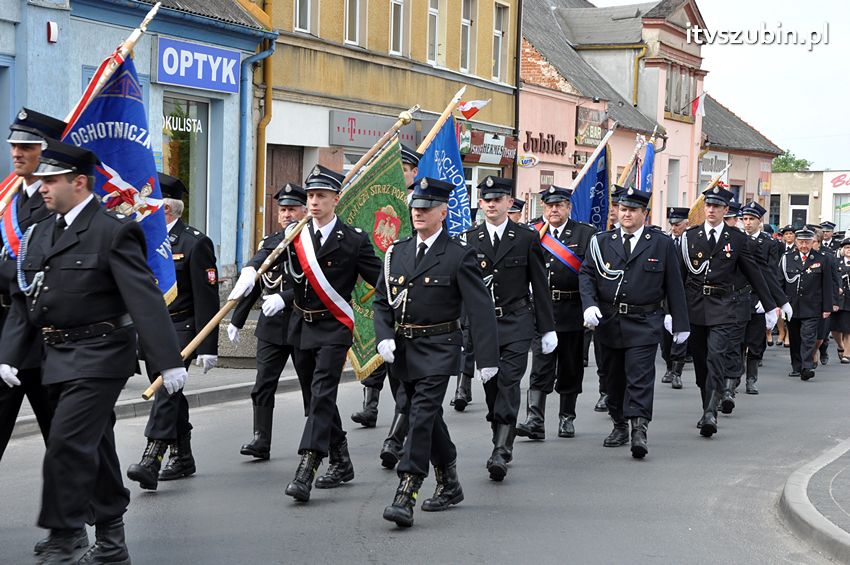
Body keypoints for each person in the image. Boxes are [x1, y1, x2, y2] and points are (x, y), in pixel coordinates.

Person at [0, 140, 187, 563]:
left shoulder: (114, 230)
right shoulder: (40, 232)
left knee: (66, 441)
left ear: (79, 182)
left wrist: (168, 361)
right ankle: (111, 541)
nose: (42, 187)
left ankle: (65, 535)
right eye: (42, 180)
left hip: (101, 354)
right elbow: (24, 298)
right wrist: (9, 354)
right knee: (96, 447)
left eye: (51, 180)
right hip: (55, 356)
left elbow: (144, 298)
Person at [230, 164, 382, 503]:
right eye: (311, 195)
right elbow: (266, 254)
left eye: (321, 196)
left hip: (334, 327)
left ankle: (308, 464)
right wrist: (250, 270)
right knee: (315, 399)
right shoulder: (294, 234)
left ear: (336, 199)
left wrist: (399, 312)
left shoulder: (353, 239)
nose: (313, 202)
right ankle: (341, 459)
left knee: (323, 391)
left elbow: (381, 281)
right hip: (301, 326)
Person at [374, 177, 498, 527]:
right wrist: (383, 335)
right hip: (403, 350)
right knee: (420, 413)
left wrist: (487, 360)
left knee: (422, 413)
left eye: (426, 208)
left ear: (443, 212)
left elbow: (480, 309)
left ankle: (407, 488)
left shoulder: (459, 254)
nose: (418, 213)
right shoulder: (396, 252)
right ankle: (449, 480)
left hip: (440, 348)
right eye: (415, 207)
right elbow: (383, 302)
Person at [579, 187, 689, 458]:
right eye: (623, 209)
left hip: (644, 321)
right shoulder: (602, 241)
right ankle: (619, 424)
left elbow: (674, 283)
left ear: (645, 214)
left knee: (640, 376)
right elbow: (587, 275)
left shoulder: (660, 243)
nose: (626, 214)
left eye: (632, 210)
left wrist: (680, 321)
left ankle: (639, 428)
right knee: (612, 378)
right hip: (609, 321)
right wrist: (589, 305)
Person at [126, 173, 219, 491]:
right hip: (152, 327)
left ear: (166, 209)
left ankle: (152, 456)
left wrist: (208, 345)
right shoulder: (144, 239)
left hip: (183, 327)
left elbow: (208, 298)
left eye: (148, 205)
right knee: (173, 392)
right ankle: (183, 457)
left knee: (164, 389)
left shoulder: (194, 242)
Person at [462, 176, 556, 481]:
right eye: (486, 199)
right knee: (491, 387)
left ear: (508, 203)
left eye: (497, 199)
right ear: (480, 203)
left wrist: (548, 328)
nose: (491, 204)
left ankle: (501, 450)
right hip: (484, 327)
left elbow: (539, 285)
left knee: (509, 382)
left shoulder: (526, 238)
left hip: (517, 322)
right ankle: (500, 429)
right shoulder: (469, 240)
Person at [679, 186, 778, 437]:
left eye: (716, 206)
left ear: (725, 210)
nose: (711, 210)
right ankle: (706, 406)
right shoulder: (689, 237)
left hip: (724, 307)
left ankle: (711, 411)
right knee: (701, 360)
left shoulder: (736, 239)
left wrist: (770, 306)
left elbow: (754, 272)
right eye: (708, 206)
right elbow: (678, 277)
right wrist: (672, 311)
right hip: (696, 307)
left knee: (716, 356)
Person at [0, 108, 65, 461]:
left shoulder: (56, 203)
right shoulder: (8, 199)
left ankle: (99, 511)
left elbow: (31, 270)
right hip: (8, 334)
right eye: (13, 145)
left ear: (47, 150)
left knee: (62, 435)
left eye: (26, 146)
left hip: (45, 341)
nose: (16, 153)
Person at [228, 183, 308, 460]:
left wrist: (285, 298)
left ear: (305, 210)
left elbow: (312, 283)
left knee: (311, 386)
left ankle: (317, 439)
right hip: (272, 326)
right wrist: (236, 320)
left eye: (292, 209)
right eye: (283, 210)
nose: (287, 215)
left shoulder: (311, 242)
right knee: (263, 384)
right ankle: (260, 438)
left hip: (302, 323)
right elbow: (255, 283)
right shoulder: (269, 243)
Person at [515, 186, 595, 440]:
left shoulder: (585, 234)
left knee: (570, 367)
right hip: (543, 310)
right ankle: (534, 419)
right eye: (549, 205)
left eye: (559, 205)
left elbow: (590, 274)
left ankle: (566, 418)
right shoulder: (532, 233)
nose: (553, 210)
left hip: (572, 310)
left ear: (568, 207)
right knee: (540, 366)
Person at [351, 144, 421, 430]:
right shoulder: (379, 196)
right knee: (375, 336)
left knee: (400, 353)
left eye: (402, 170)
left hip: (409, 287)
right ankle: (370, 405)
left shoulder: (420, 203)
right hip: (377, 280)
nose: (397, 174)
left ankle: (402, 418)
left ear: (413, 173)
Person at [738, 202, 790, 395]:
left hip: (759, 298)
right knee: (737, 342)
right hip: (739, 298)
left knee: (755, 342)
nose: (748, 223)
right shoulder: (736, 240)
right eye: (745, 219)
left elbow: (771, 273)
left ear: (760, 221)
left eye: (751, 219)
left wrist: (768, 300)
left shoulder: (770, 243)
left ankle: (751, 379)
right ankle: (735, 377)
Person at [781, 228, 834, 380]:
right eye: (801, 242)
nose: (804, 245)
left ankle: (807, 367)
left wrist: (827, 307)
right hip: (791, 306)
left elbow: (827, 285)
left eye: (807, 242)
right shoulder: (787, 258)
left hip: (813, 305)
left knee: (809, 337)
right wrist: (779, 304)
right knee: (795, 337)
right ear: (796, 242)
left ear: (812, 242)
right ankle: (796, 366)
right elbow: (780, 282)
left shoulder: (822, 259)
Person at [660, 206, 690, 390]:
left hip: (685, 296)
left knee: (681, 335)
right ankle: (669, 367)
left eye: (678, 225)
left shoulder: (691, 242)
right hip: (664, 297)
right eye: (672, 224)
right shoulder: (663, 242)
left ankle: (677, 372)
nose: (674, 228)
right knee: (665, 336)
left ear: (686, 224)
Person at [831, 238, 850, 363]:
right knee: (835, 328)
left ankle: (847, 354)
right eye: (847, 247)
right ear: (843, 249)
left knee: (848, 328)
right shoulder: (836, 262)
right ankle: (841, 346)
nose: (849, 250)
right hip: (838, 299)